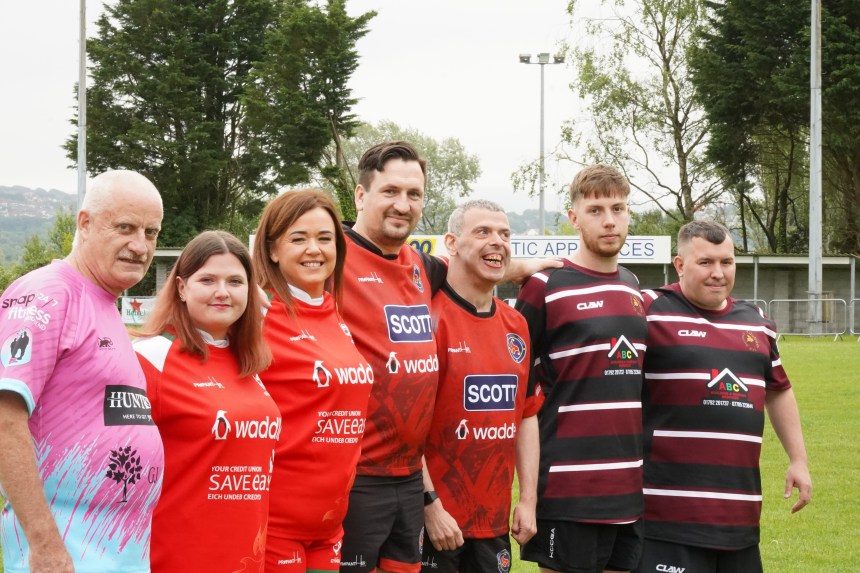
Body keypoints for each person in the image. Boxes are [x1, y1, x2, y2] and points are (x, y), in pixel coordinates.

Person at [339, 141, 559, 573]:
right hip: (364, 483)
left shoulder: (420, 270)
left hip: (434, 499)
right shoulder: (334, 260)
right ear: (360, 196)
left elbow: (480, 266)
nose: (403, 204)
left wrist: (538, 265)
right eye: (390, 191)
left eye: (414, 194)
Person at [0, 170, 165, 573]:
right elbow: (4, 419)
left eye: (151, 232)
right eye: (125, 227)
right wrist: (45, 545)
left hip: (116, 554)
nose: (140, 245)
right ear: (85, 223)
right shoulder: (49, 293)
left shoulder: (104, 304)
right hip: (66, 557)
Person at [633, 221, 812, 573]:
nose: (718, 273)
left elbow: (779, 390)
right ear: (680, 265)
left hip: (740, 520)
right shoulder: (648, 309)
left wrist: (799, 459)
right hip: (667, 520)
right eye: (706, 263)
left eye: (726, 262)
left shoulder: (756, 321)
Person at [515, 164, 647, 573]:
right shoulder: (545, 286)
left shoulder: (632, 286)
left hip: (627, 487)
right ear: (573, 217)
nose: (609, 220)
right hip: (568, 488)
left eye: (618, 208)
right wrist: (527, 495)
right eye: (595, 210)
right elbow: (518, 383)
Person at [133, 230, 277, 572]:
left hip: (245, 557)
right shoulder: (149, 357)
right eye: (208, 280)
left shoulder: (250, 363)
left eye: (236, 281)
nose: (223, 292)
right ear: (182, 287)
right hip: (175, 557)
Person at [253, 190, 374, 573]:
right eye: (298, 238)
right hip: (274, 527)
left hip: (329, 527)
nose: (314, 249)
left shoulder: (335, 313)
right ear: (272, 249)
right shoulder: (255, 316)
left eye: (324, 238)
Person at [420, 200, 542, 573]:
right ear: (452, 244)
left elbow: (526, 415)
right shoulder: (427, 317)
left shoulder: (516, 324)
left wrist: (528, 501)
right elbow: (404, 425)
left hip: (492, 525)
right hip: (435, 523)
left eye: (505, 234)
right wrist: (430, 506)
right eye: (483, 232)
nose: (498, 242)